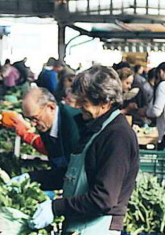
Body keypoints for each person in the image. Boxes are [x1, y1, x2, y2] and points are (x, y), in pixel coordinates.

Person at [24, 66, 139, 234]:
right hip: (80, 224)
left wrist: (56, 207)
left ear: (105, 102)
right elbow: (72, 175)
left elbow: (103, 199)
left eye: (84, 102)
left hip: (98, 227)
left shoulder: (117, 136)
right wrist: (31, 178)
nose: (78, 106)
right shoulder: (95, 127)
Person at [4, 87, 84, 169]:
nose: (33, 123)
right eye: (29, 119)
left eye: (35, 118)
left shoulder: (73, 122)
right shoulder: (46, 125)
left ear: (51, 107)